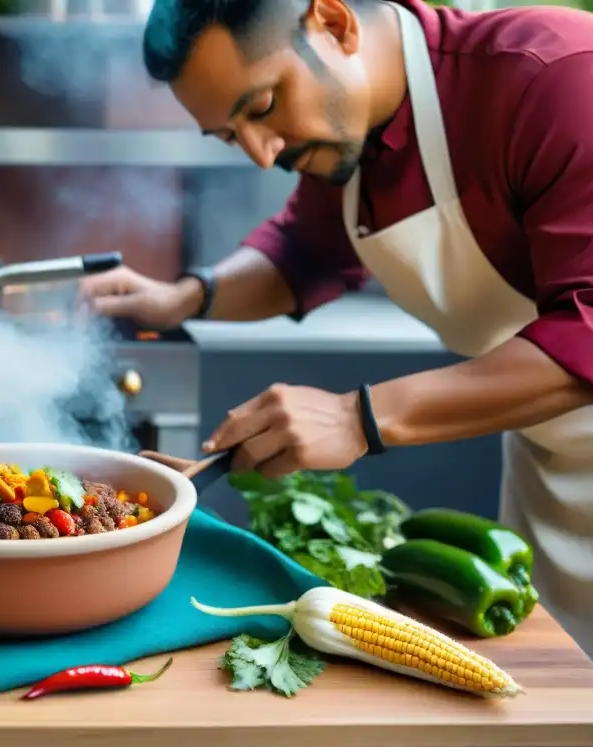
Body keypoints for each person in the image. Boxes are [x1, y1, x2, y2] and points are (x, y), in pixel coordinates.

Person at [79, 0, 593, 651]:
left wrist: (358, 418)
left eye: (262, 106)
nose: (262, 156)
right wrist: (181, 298)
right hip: (550, 472)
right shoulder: (342, 135)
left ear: (333, 23)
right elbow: (302, 255)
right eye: (231, 136)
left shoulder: (558, 77)